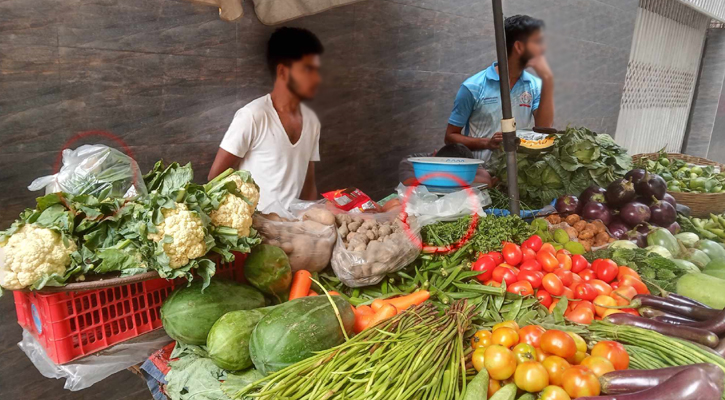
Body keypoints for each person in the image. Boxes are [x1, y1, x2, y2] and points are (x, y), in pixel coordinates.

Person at [208, 27, 324, 212]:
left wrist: (309, 221)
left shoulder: (311, 121)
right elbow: (214, 178)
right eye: (307, 69)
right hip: (256, 232)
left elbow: (309, 184)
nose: (316, 79)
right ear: (283, 72)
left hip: (291, 230)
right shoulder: (253, 116)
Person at [444, 15, 554, 167]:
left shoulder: (535, 85)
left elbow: (544, 129)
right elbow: (450, 136)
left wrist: (548, 80)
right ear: (519, 47)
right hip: (483, 176)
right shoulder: (473, 87)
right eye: (537, 42)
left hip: (522, 174)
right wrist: (487, 143)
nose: (543, 48)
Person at [398, 143, 493, 187]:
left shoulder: (465, 161)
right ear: (434, 155)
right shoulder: (410, 162)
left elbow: (486, 181)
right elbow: (408, 181)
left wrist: (446, 177)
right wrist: (460, 177)